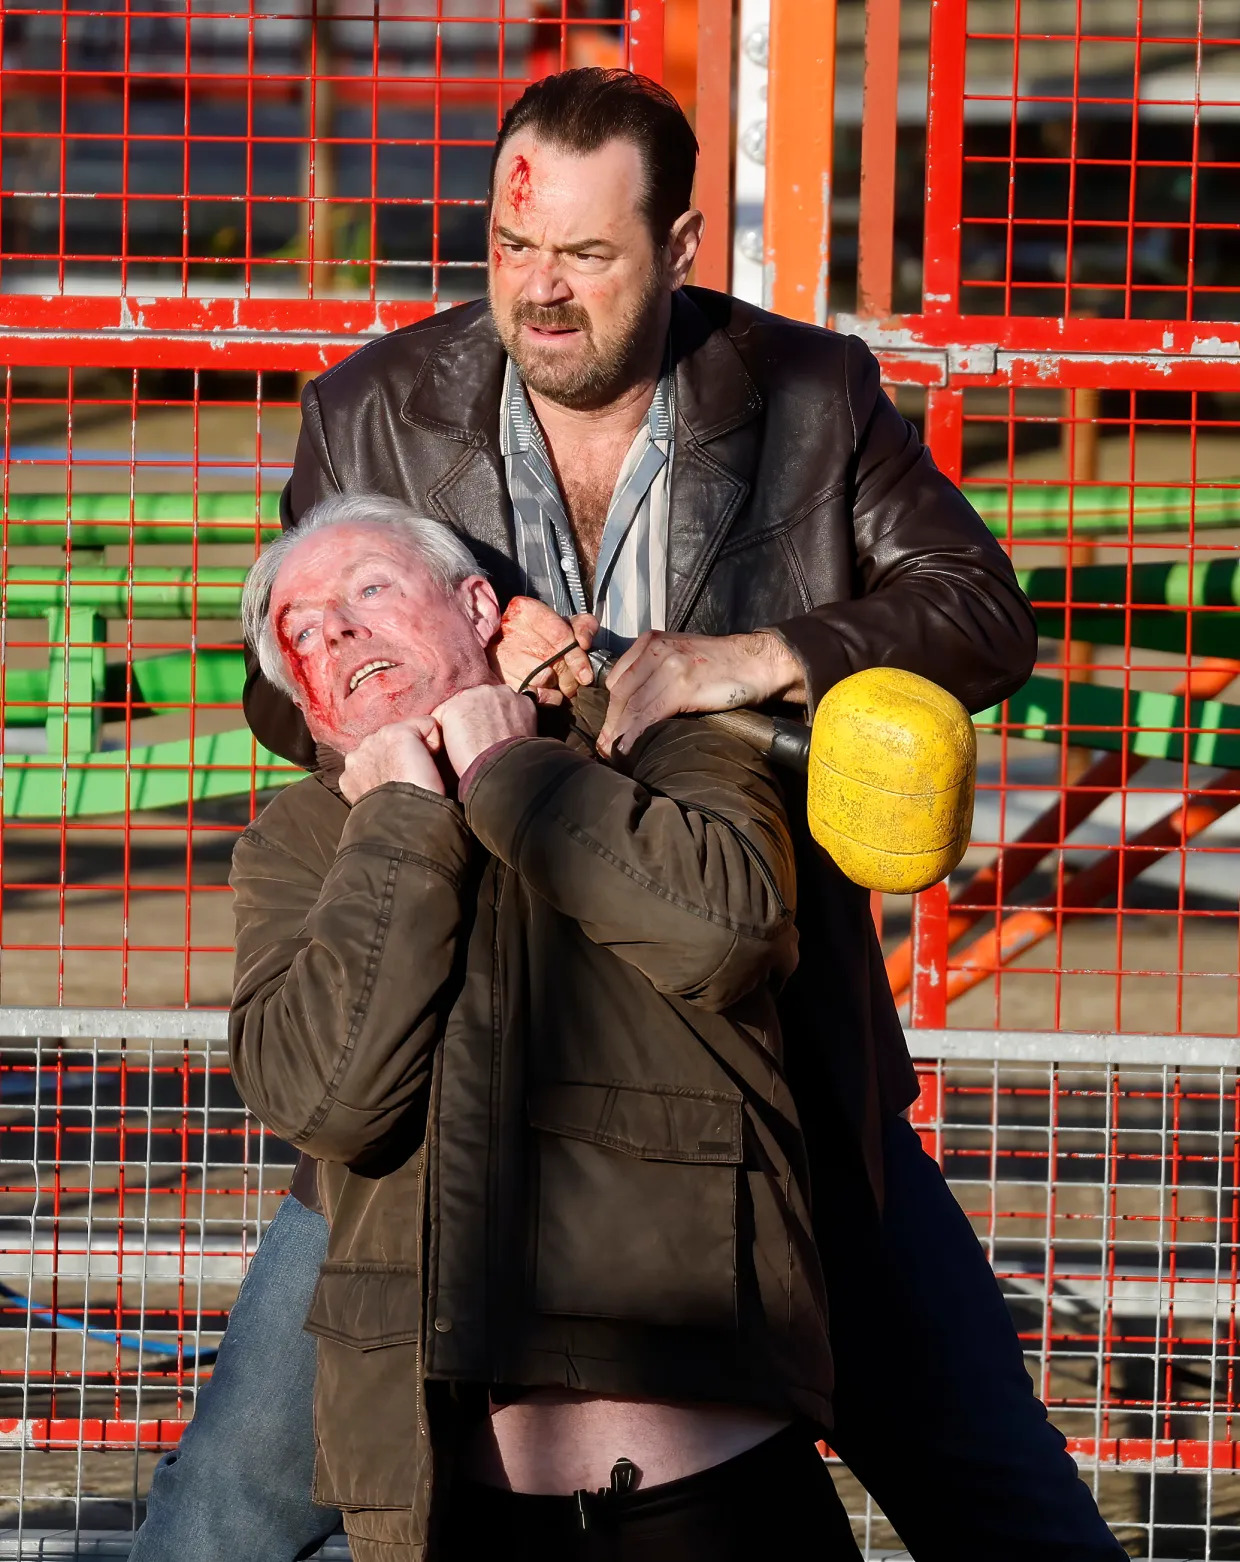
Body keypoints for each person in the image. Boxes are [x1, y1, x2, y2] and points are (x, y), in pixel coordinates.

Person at [132, 66, 1124, 1562]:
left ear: (679, 245)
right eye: (511, 246)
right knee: (217, 1520)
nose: (539, 290)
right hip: (456, 1054)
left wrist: (745, 657)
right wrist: (468, 694)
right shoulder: (372, 408)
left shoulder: (809, 395)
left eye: (587, 254)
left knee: (1011, 1507)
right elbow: (294, 692)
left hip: (757, 1045)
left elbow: (981, 614)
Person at [224, 491, 863, 1562]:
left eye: (369, 589)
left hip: (712, 1499)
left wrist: (506, 772)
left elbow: (727, 935)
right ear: (307, 703)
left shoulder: (658, 741)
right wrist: (399, 820)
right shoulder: (298, 840)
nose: (335, 630)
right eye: (302, 630)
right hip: (449, 1511)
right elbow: (321, 1098)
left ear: (480, 607)